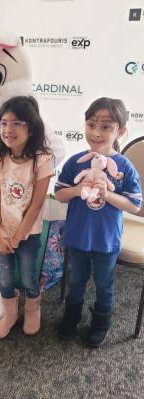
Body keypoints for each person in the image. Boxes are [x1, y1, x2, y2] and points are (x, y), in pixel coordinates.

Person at [55, 97, 142, 347]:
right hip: (77, 235)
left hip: (106, 239)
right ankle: (72, 314)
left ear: (121, 131)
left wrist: (108, 194)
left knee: (105, 283)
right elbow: (60, 194)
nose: (96, 132)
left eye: (106, 126)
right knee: (76, 278)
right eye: (92, 124)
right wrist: (77, 188)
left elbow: (134, 204)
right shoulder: (76, 162)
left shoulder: (123, 167)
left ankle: (101, 321)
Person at [0, 96, 54, 339]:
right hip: (2, 233)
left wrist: (16, 238)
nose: (8, 129)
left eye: (16, 123)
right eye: (3, 123)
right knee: (4, 277)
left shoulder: (42, 160)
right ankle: (10, 313)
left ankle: (33, 307)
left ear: (32, 126)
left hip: (27, 234)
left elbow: (36, 206)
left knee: (27, 276)